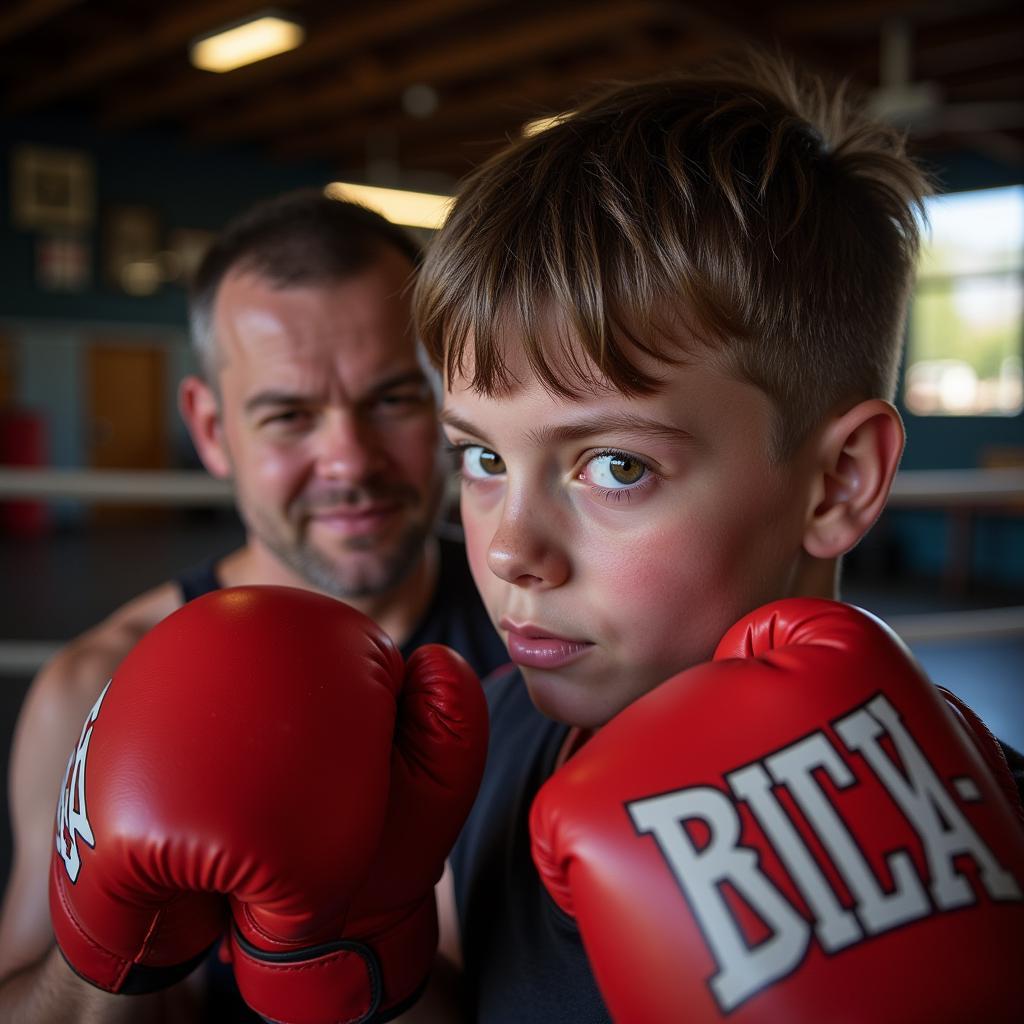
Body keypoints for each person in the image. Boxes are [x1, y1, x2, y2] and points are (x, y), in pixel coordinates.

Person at [402, 55, 1024, 1021]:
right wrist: (356, 957)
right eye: (482, 458)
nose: (507, 549)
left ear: (838, 481)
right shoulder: (493, 745)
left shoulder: (989, 843)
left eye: (615, 466)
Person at [0, 189, 506, 1021]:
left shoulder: (544, 643)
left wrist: (354, 941)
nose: (349, 460)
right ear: (209, 427)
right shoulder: (90, 688)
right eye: (289, 415)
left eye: (392, 399)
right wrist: (109, 956)